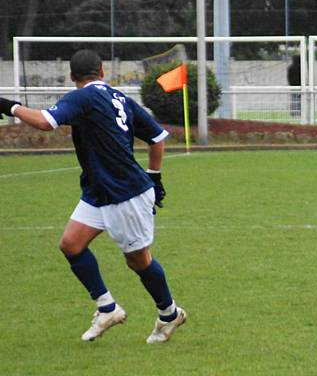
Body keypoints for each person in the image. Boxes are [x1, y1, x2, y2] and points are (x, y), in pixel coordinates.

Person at [0, 49, 186, 342]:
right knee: (71, 245)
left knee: (138, 260)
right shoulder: (118, 97)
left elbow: (45, 122)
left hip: (124, 191)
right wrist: (155, 176)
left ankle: (170, 314)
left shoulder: (82, 96)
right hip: (99, 189)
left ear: (72, 77)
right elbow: (156, 137)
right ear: (102, 72)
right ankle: (107, 308)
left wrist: (8, 106)